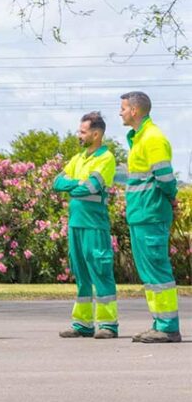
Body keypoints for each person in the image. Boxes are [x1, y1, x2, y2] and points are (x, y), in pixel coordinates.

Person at [119, 91, 182, 343]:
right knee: (149, 273)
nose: (120, 112)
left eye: (123, 108)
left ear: (135, 110)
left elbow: (165, 177)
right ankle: (159, 323)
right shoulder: (139, 138)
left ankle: (167, 326)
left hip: (151, 213)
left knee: (157, 270)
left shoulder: (152, 138)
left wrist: (171, 197)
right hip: (142, 214)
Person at [53, 112, 118, 339]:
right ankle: (83, 324)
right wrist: (77, 183)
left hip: (94, 226)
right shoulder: (79, 158)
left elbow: (89, 187)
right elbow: (56, 182)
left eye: (83, 131)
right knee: (81, 275)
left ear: (96, 133)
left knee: (101, 272)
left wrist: (75, 184)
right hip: (75, 225)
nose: (78, 135)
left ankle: (108, 325)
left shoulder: (106, 158)